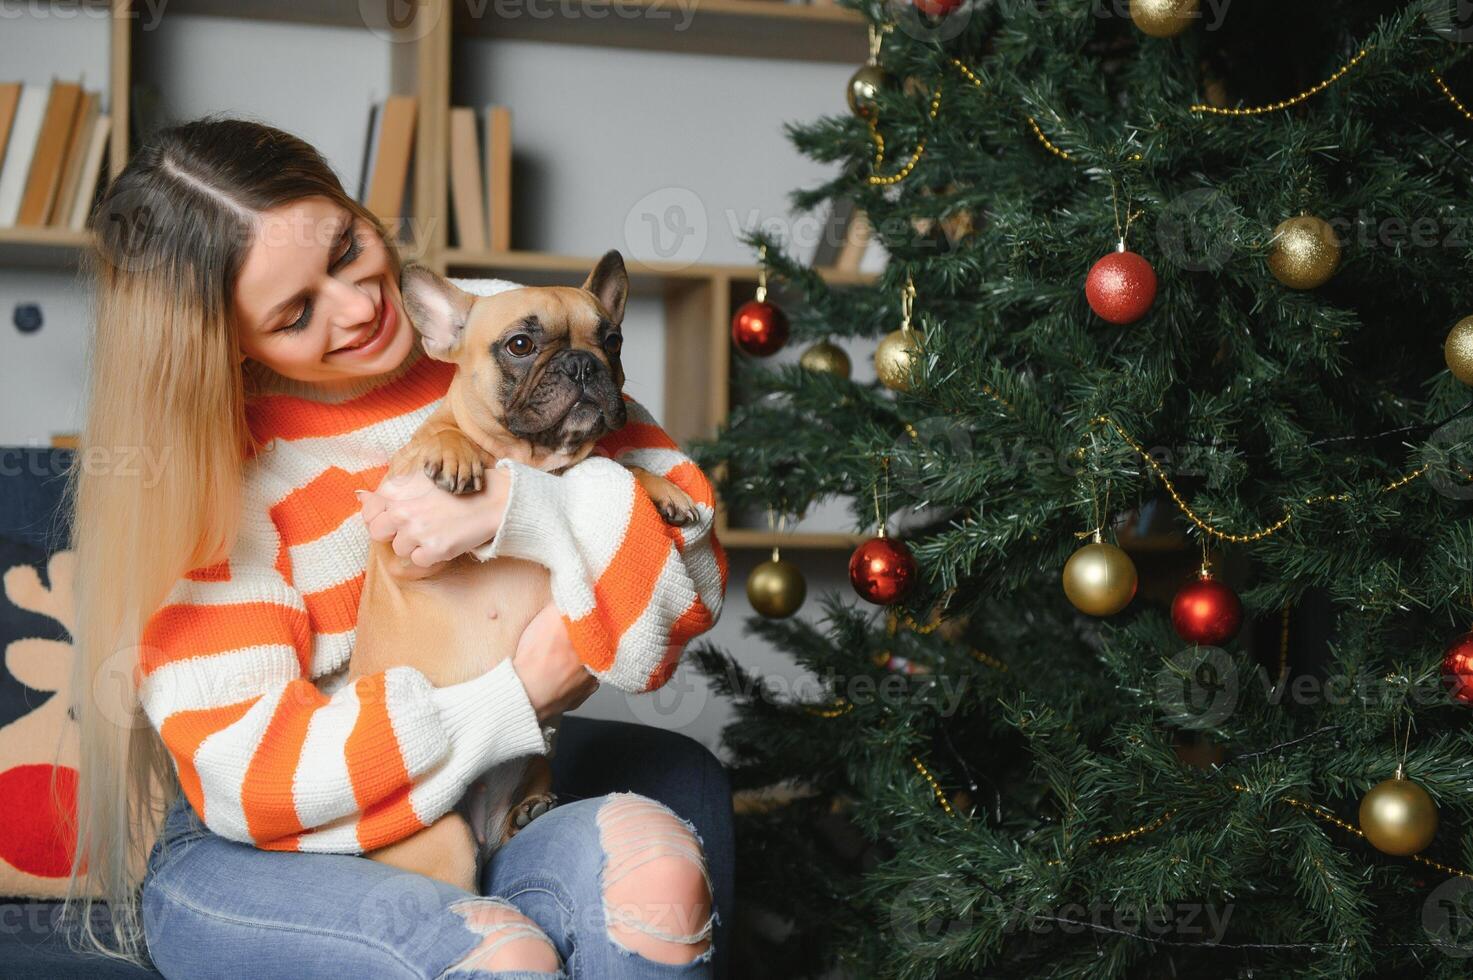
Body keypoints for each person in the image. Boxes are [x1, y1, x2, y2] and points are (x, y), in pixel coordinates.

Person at [60, 115, 731, 979]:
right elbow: (254, 781)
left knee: (659, 868)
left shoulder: (506, 329)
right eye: (297, 312)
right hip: (282, 839)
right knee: (501, 959)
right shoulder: (206, 477)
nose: (361, 306)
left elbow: (692, 577)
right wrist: (516, 693)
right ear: (223, 345)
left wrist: (508, 508)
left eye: (346, 248)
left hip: (495, 783)